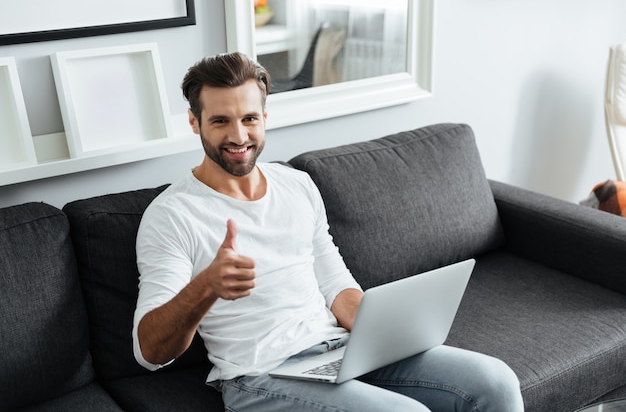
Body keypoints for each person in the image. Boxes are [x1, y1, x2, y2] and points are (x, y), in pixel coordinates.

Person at [132, 52, 524, 412]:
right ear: (194, 121)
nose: (238, 136)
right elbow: (149, 352)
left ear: (265, 117)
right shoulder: (172, 216)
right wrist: (207, 285)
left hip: (339, 350)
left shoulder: (297, 185)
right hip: (260, 375)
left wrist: (385, 330)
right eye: (220, 121)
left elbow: (335, 282)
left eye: (249, 118)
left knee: (496, 382)